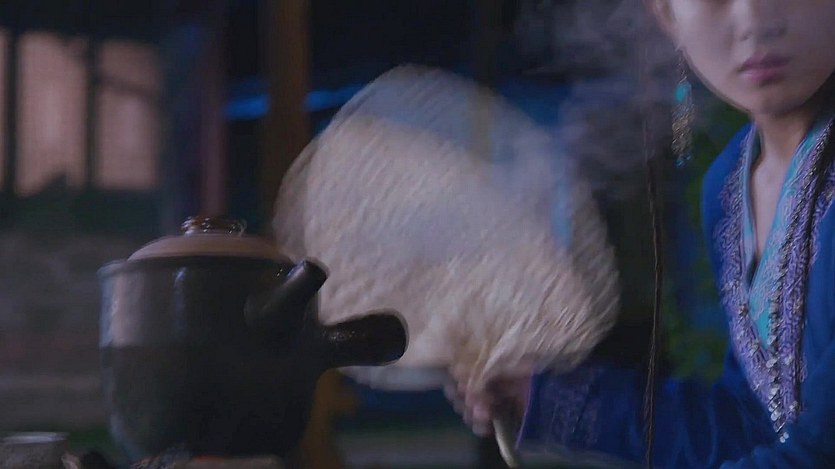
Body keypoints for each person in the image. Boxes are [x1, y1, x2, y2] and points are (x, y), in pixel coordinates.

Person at [448, 0, 835, 467]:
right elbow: (750, 424)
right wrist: (544, 396)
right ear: (667, 16)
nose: (754, 22)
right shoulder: (728, 188)